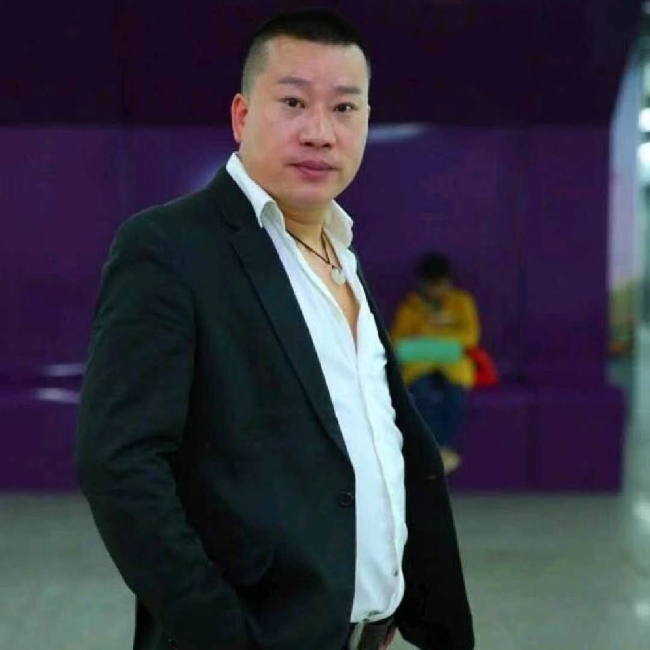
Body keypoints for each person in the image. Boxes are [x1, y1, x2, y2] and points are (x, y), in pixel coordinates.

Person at [75, 9, 474, 650]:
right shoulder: (170, 249)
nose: (320, 132)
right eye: (293, 102)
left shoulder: (342, 252)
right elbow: (119, 465)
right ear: (241, 116)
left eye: (344, 109)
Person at [391, 253, 481, 475]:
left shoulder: (461, 302)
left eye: (440, 284)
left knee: (455, 394)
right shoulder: (410, 307)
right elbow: (399, 345)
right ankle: (437, 449)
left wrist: (427, 343)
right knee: (421, 395)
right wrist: (442, 344)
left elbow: (470, 337)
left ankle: (441, 448)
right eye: (431, 285)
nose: (435, 290)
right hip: (419, 367)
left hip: (453, 366)